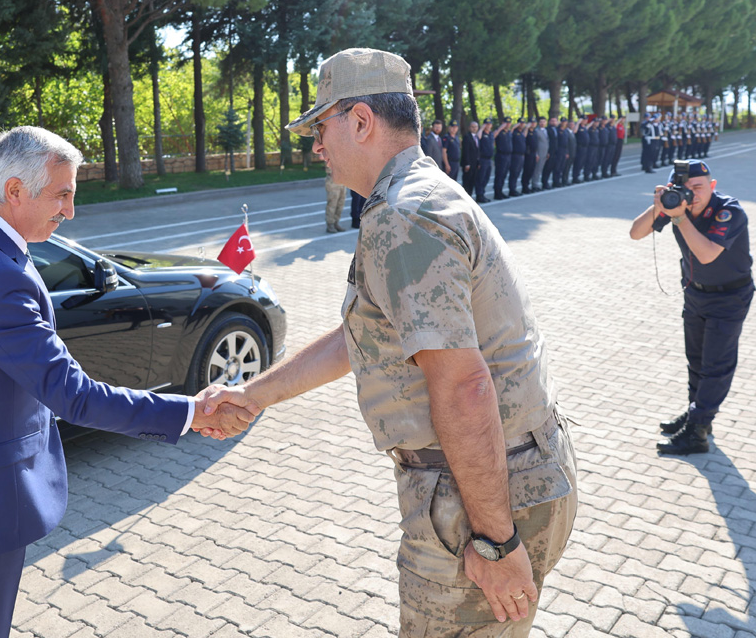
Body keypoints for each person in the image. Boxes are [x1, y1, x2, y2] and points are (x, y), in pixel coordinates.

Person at [202, 48, 577, 637]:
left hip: (479, 499)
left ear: (359, 121)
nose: (316, 146)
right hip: (504, 478)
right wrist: (254, 395)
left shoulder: (404, 216)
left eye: (321, 128)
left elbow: (463, 383)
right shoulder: (417, 198)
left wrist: (496, 541)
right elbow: (367, 338)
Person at [0, 126, 254, 638]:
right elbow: (75, 396)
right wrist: (191, 412)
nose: (70, 211)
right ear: (14, 191)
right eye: (61, 194)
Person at [628, 159, 754, 455]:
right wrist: (660, 205)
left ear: (712, 186)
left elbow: (708, 254)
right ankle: (697, 414)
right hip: (695, 294)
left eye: (698, 187)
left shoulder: (728, 211)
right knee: (695, 360)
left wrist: (679, 218)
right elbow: (635, 232)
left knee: (716, 366)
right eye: (684, 189)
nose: (691, 194)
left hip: (730, 297)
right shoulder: (676, 206)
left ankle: (697, 432)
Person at [325, 164, 347, 233]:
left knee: (341, 203)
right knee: (332, 203)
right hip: (333, 179)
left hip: (342, 179)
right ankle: (330, 224)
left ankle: (336, 222)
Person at [493, 118, 511, 201]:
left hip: (508, 156)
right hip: (501, 155)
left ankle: (501, 191)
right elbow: (493, 137)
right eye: (506, 122)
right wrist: (500, 128)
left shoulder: (509, 132)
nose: (508, 124)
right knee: (499, 175)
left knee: (504, 175)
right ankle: (497, 192)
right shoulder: (499, 131)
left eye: (509, 122)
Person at [476, 119, 494, 204]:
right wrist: (481, 129)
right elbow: (478, 138)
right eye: (486, 124)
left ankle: (482, 194)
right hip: (482, 159)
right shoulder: (481, 133)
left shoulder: (490, 134)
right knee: (481, 178)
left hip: (489, 159)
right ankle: (479, 195)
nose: (488, 125)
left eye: (489, 124)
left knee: (486, 178)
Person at [462, 120, 481, 200]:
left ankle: (469, 197)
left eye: (476, 127)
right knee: (467, 181)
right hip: (469, 164)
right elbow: (465, 151)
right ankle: (465, 198)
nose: (474, 128)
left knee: (472, 181)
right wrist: (467, 163)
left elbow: (478, 151)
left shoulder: (476, 137)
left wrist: (478, 162)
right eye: (472, 127)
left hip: (475, 163)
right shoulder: (467, 137)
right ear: (469, 128)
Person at [508, 121, 525, 197]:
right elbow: (509, 135)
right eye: (520, 123)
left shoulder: (522, 132)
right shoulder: (514, 132)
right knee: (513, 173)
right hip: (515, 155)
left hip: (521, 155)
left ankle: (514, 189)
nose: (522, 124)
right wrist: (514, 127)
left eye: (523, 123)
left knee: (517, 173)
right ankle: (512, 190)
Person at [534, 116, 550, 190]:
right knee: (537, 169)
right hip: (539, 153)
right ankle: (535, 184)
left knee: (541, 169)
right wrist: (536, 153)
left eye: (544, 122)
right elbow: (535, 143)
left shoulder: (546, 131)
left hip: (545, 152)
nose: (542, 123)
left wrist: (547, 152)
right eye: (541, 122)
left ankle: (538, 183)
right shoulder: (536, 131)